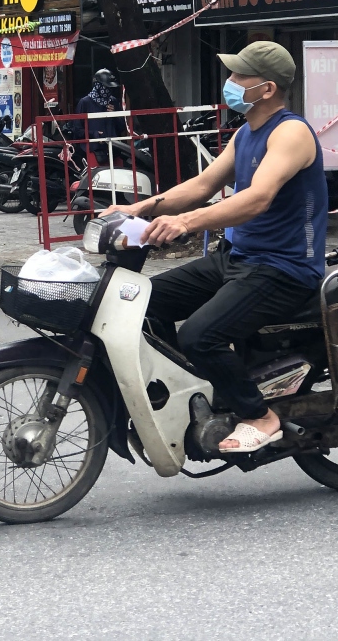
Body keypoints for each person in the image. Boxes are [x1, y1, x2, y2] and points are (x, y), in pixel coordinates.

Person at [105, 41, 326, 455]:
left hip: (282, 269)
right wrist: (138, 209)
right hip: (236, 258)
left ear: (267, 89)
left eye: (240, 76)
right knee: (143, 303)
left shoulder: (291, 132)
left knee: (199, 336)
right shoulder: (246, 134)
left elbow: (257, 198)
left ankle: (260, 415)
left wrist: (185, 222)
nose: (230, 83)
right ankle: (192, 394)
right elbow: (202, 186)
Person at [76, 69, 127, 165]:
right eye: (106, 87)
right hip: (94, 152)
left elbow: (122, 127)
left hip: (114, 150)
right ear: (98, 86)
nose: (108, 91)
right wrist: (94, 134)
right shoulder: (85, 102)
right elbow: (77, 130)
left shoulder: (113, 101)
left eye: (110, 88)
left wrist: (115, 114)